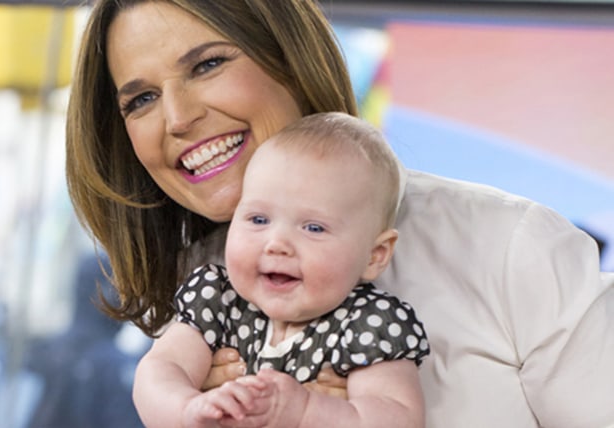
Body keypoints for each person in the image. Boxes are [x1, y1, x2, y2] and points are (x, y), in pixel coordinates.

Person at [65, 1, 614, 426]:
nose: (178, 118)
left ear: (291, 57)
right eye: (140, 100)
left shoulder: (507, 246)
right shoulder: (203, 294)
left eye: (208, 64)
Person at [133, 112, 430, 427]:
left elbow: (397, 418)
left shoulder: (367, 323)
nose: (277, 243)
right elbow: (160, 370)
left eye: (313, 227)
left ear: (374, 256)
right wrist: (186, 409)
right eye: (258, 219)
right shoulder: (219, 300)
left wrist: (305, 411)